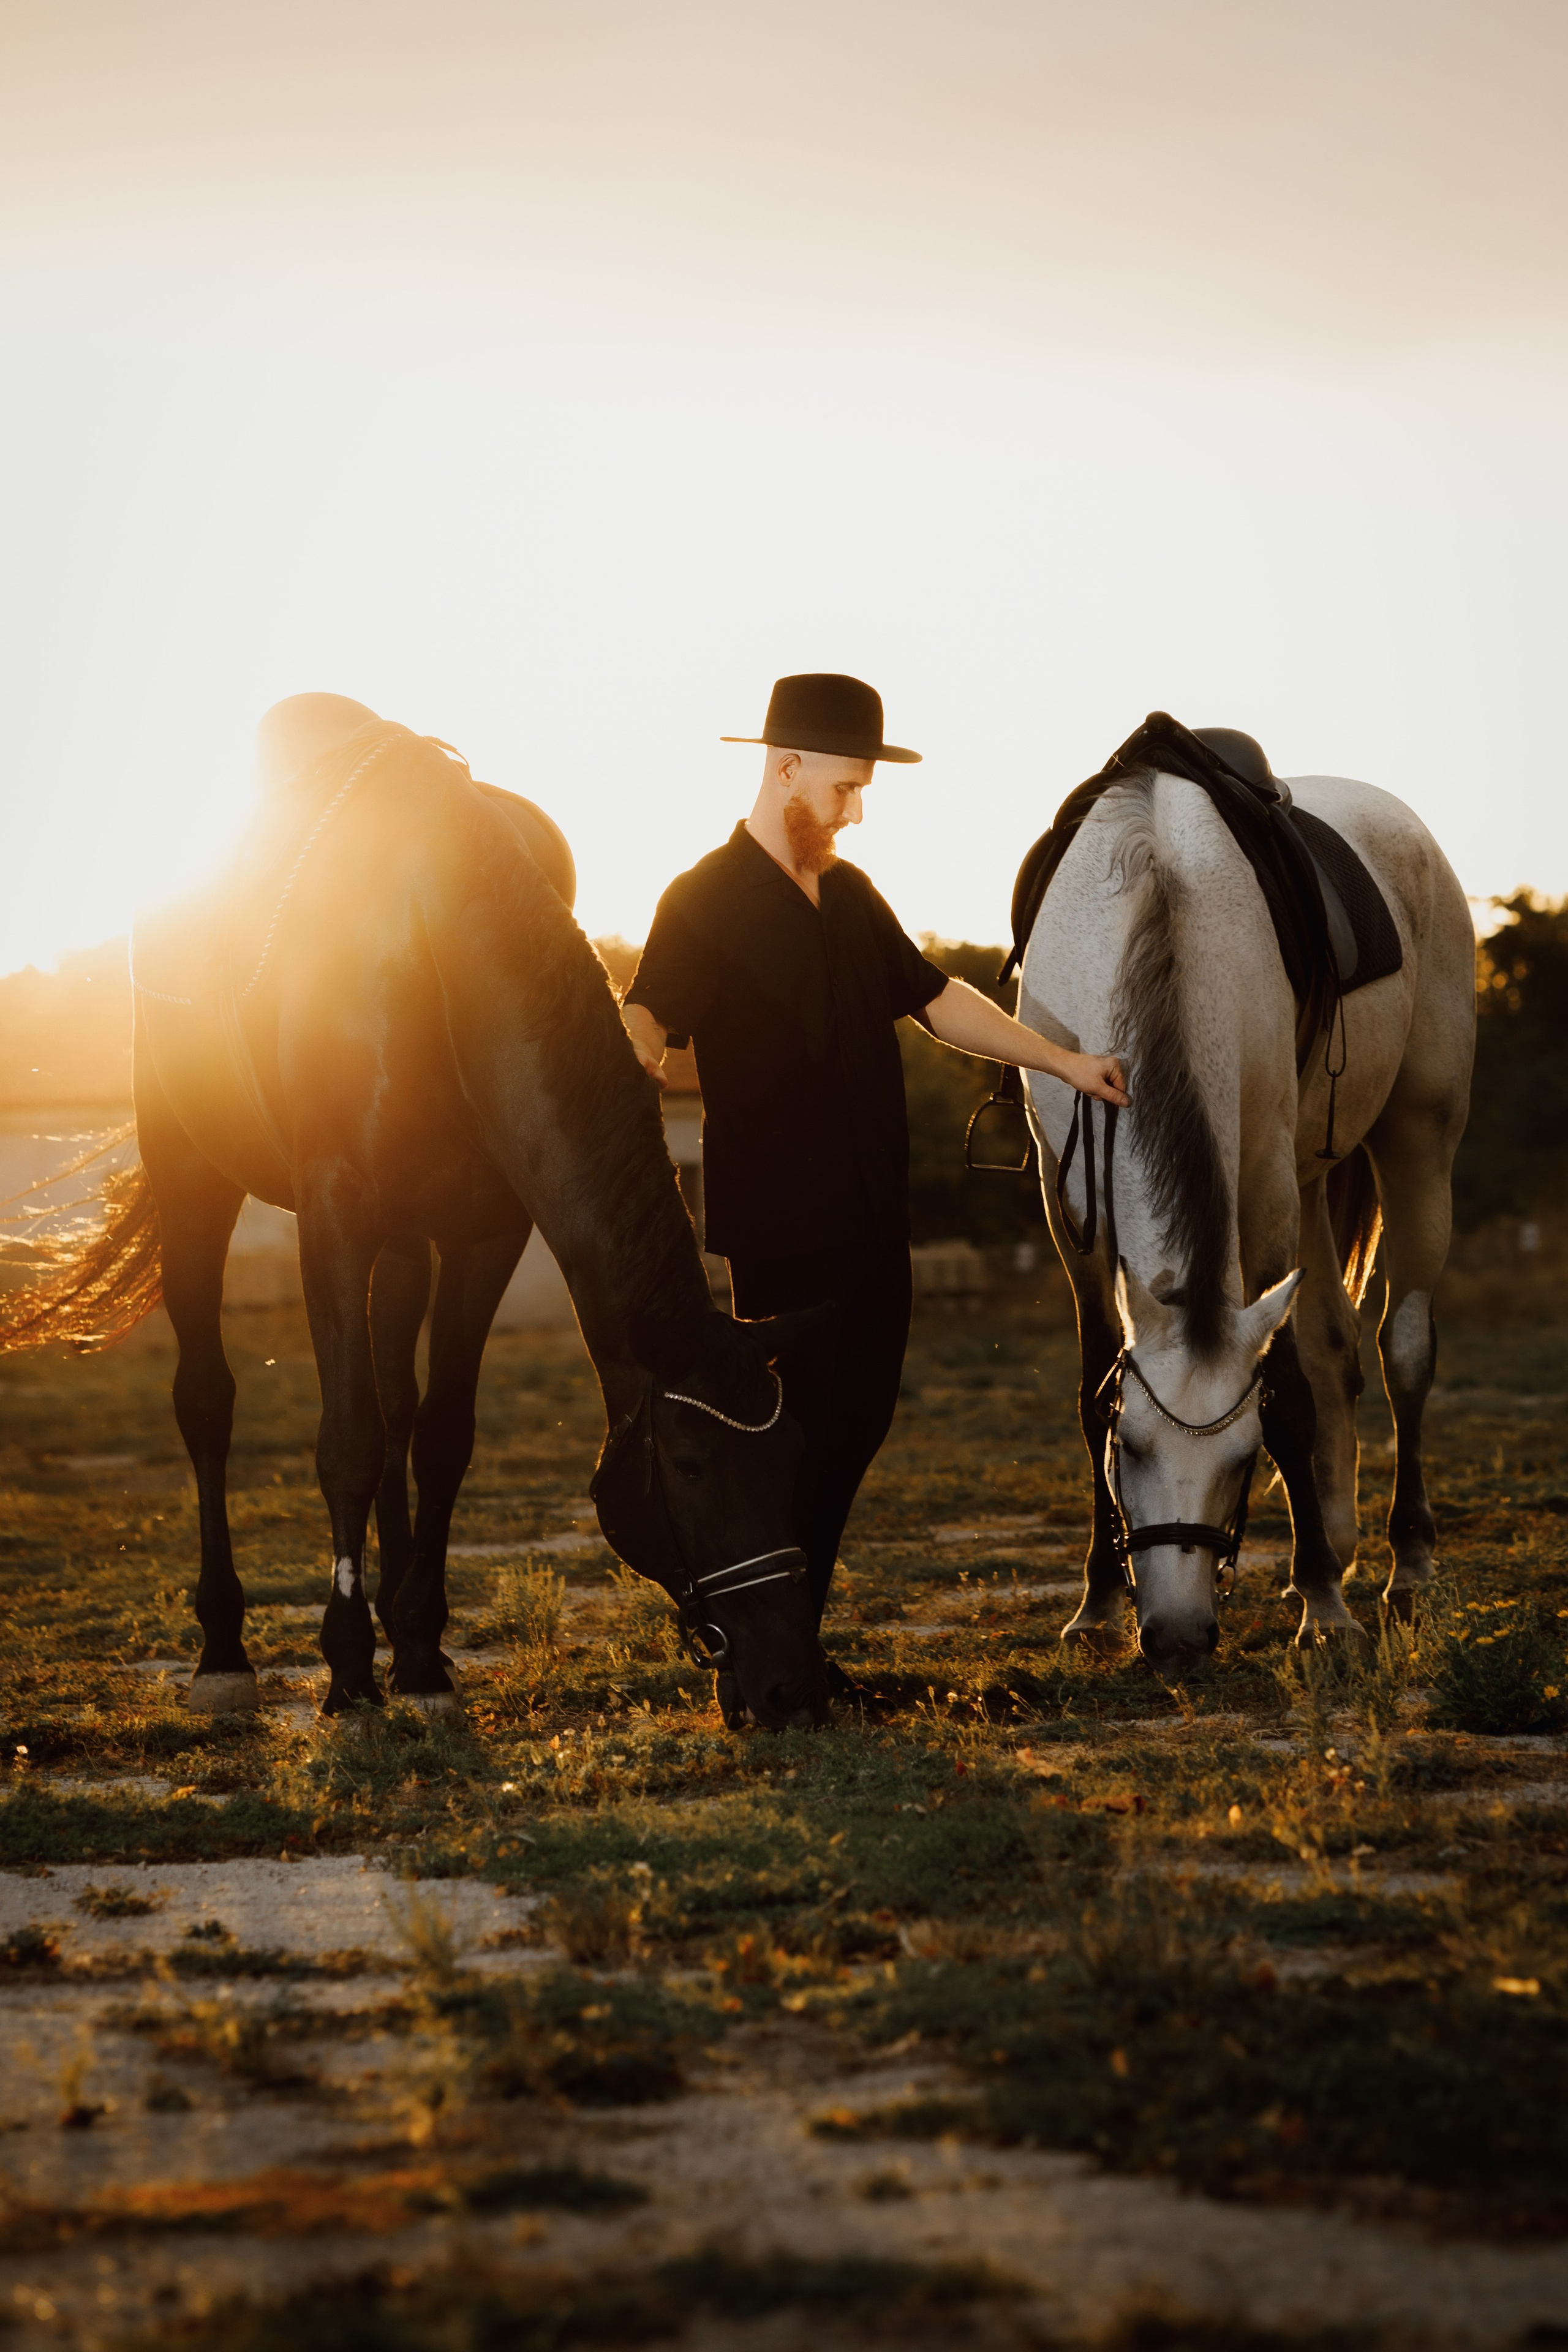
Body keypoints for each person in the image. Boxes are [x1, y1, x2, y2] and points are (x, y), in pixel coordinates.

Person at [620, 673, 1127, 1692]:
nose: (855, 811)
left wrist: (1063, 1063)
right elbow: (647, 1018)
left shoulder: (850, 895)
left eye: (862, 791)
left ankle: (793, 1641)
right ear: (786, 769)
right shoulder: (701, 898)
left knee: (859, 1423)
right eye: (845, 788)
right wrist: (624, 1067)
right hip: (780, 1226)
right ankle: (768, 1654)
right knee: (794, 1436)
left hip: (871, 1214)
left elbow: (937, 999)